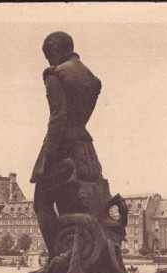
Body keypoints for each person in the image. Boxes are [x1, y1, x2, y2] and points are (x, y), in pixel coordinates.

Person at [30, 31, 104, 260]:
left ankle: (57, 258)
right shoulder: (91, 78)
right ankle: (78, 257)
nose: (49, 62)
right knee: (75, 204)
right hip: (87, 147)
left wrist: (48, 155)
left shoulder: (56, 75)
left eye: (49, 56)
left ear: (55, 51)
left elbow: (58, 117)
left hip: (64, 147)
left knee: (42, 200)